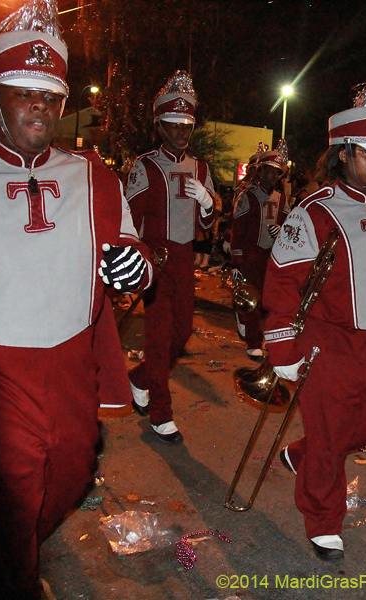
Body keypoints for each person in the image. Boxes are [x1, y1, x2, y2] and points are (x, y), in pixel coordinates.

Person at [0, 1, 154, 596]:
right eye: (24, 92)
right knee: (15, 494)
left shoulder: (95, 174)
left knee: (70, 477)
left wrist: (133, 269)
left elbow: (129, 250)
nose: (41, 105)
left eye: (52, 95)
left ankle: (2, 553)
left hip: (71, 362)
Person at [269, 69, 366, 561]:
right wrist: (281, 348)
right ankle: (322, 519)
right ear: (342, 154)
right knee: (333, 433)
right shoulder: (313, 211)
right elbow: (282, 282)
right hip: (325, 338)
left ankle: (302, 453)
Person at [126, 70, 217, 444]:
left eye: (186, 125)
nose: (180, 131)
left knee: (183, 332)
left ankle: (139, 378)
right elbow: (128, 220)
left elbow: (208, 223)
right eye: (173, 124)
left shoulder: (201, 168)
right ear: (159, 126)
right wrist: (133, 261)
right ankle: (161, 413)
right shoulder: (145, 165)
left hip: (184, 259)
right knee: (160, 338)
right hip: (156, 260)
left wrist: (208, 201)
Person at [230, 142, 290, 359]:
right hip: (251, 254)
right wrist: (236, 262)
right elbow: (238, 229)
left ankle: (244, 316)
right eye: (269, 171)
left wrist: (282, 230)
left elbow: (290, 226)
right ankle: (253, 341)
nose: (273, 176)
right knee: (253, 298)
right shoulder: (247, 196)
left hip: (271, 256)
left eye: (277, 172)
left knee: (270, 299)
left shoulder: (282, 199)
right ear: (261, 171)